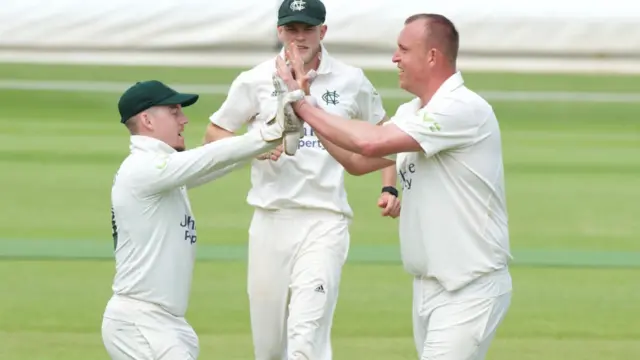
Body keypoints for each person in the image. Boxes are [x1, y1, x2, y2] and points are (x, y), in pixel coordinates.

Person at [276, 13, 513, 360]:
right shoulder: (411, 111)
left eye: (403, 49)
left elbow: (371, 142)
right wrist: (308, 107)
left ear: (431, 56)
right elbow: (357, 161)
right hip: (429, 287)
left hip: (469, 287)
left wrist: (302, 106)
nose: (394, 58)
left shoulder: (462, 108)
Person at [202, 0, 400, 359]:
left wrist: (389, 185)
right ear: (279, 31)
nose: (299, 37)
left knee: (306, 337)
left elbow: (385, 133)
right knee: (269, 348)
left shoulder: (350, 79)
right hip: (270, 219)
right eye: (291, 29)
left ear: (322, 31)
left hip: (325, 220)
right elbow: (214, 132)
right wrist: (254, 148)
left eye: (307, 29)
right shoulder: (254, 79)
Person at [102, 79, 297, 360]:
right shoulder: (144, 169)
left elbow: (211, 164)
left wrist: (256, 149)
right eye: (174, 112)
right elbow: (209, 157)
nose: (184, 120)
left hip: (162, 323)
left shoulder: (163, 172)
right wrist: (272, 132)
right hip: (141, 322)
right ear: (147, 119)